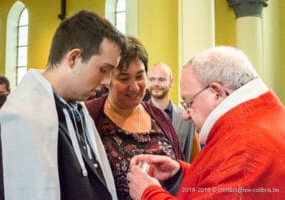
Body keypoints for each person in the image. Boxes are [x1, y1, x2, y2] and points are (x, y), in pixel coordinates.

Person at [0, 10, 126, 200]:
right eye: (103, 69)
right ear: (74, 58)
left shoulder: (76, 109)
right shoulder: (24, 116)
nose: (107, 81)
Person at [127, 46, 285, 199]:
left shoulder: (246, 147)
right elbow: (221, 183)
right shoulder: (257, 117)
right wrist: (179, 174)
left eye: (189, 103)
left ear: (216, 93)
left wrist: (148, 193)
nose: (186, 116)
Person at [85, 36, 183, 200]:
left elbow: (181, 173)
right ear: (108, 79)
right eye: (124, 78)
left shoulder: (159, 117)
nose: (134, 86)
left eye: (139, 76)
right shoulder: (90, 116)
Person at [147, 62, 199, 162]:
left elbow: (191, 158)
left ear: (171, 82)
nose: (156, 84)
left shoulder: (186, 118)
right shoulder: (138, 114)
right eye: (152, 79)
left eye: (161, 79)